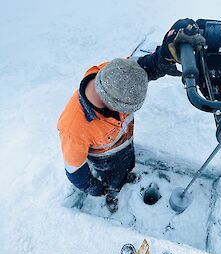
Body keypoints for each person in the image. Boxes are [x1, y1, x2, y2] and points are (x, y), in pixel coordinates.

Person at [57, 18, 201, 213]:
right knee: (113, 179)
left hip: (123, 146)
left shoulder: (115, 72)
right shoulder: (74, 128)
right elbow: (75, 172)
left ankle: (125, 176)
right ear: (114, 104)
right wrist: (97, 188)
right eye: (128, 108)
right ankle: (113, 192)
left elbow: (142, 70)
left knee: (126, 164)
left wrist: (163, 58)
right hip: (105, 161)